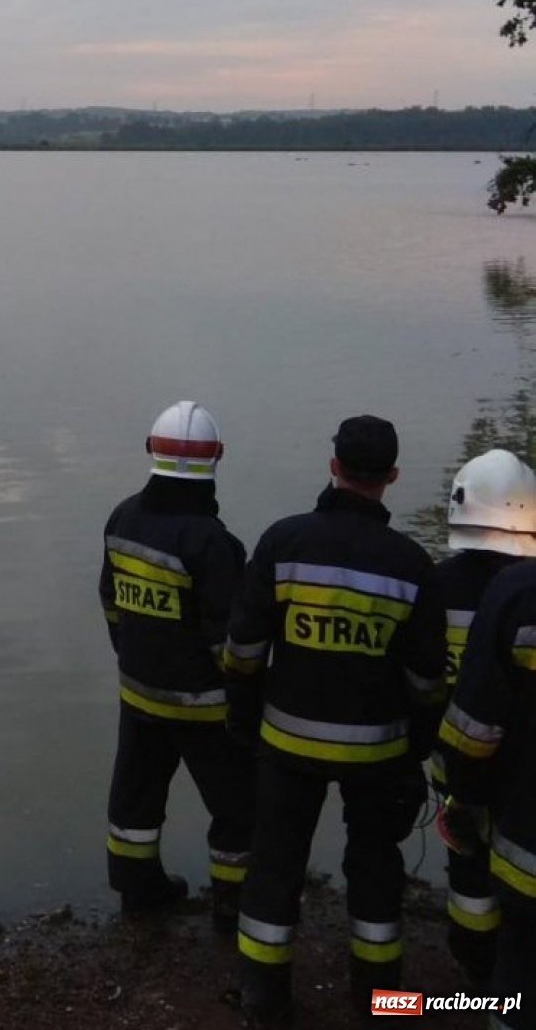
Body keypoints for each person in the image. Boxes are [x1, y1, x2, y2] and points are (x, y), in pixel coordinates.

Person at [223, 415, 447, 1023]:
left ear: (333, 468)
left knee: (273, 867)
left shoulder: (283, 542)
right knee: (376, 870)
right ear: (392, 477)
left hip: (287, 742)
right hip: (378, 753)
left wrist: (245, 724)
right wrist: (415, 749)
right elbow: (428, 681)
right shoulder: (412, 566)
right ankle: (382, 1007)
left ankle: (264, 1001)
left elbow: (243, 652)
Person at [99, 400, 254, 927]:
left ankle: (137, 894)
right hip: (206, 709)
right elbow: (227, 642)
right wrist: (248, 697)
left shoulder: (121, 517)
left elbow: (111, 604)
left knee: (134, 802)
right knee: (238, 810)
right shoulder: (213, 543)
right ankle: (233, 908)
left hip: (139, 693)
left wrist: (134, 657)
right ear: (218, 457)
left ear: (150, 451)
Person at [431, 449, 536, 988]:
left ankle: (477, 978)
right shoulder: (524, 593)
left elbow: (425, 684)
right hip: (520, 775)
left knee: (470, 875)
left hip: (463, 766)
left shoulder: (438, 586)